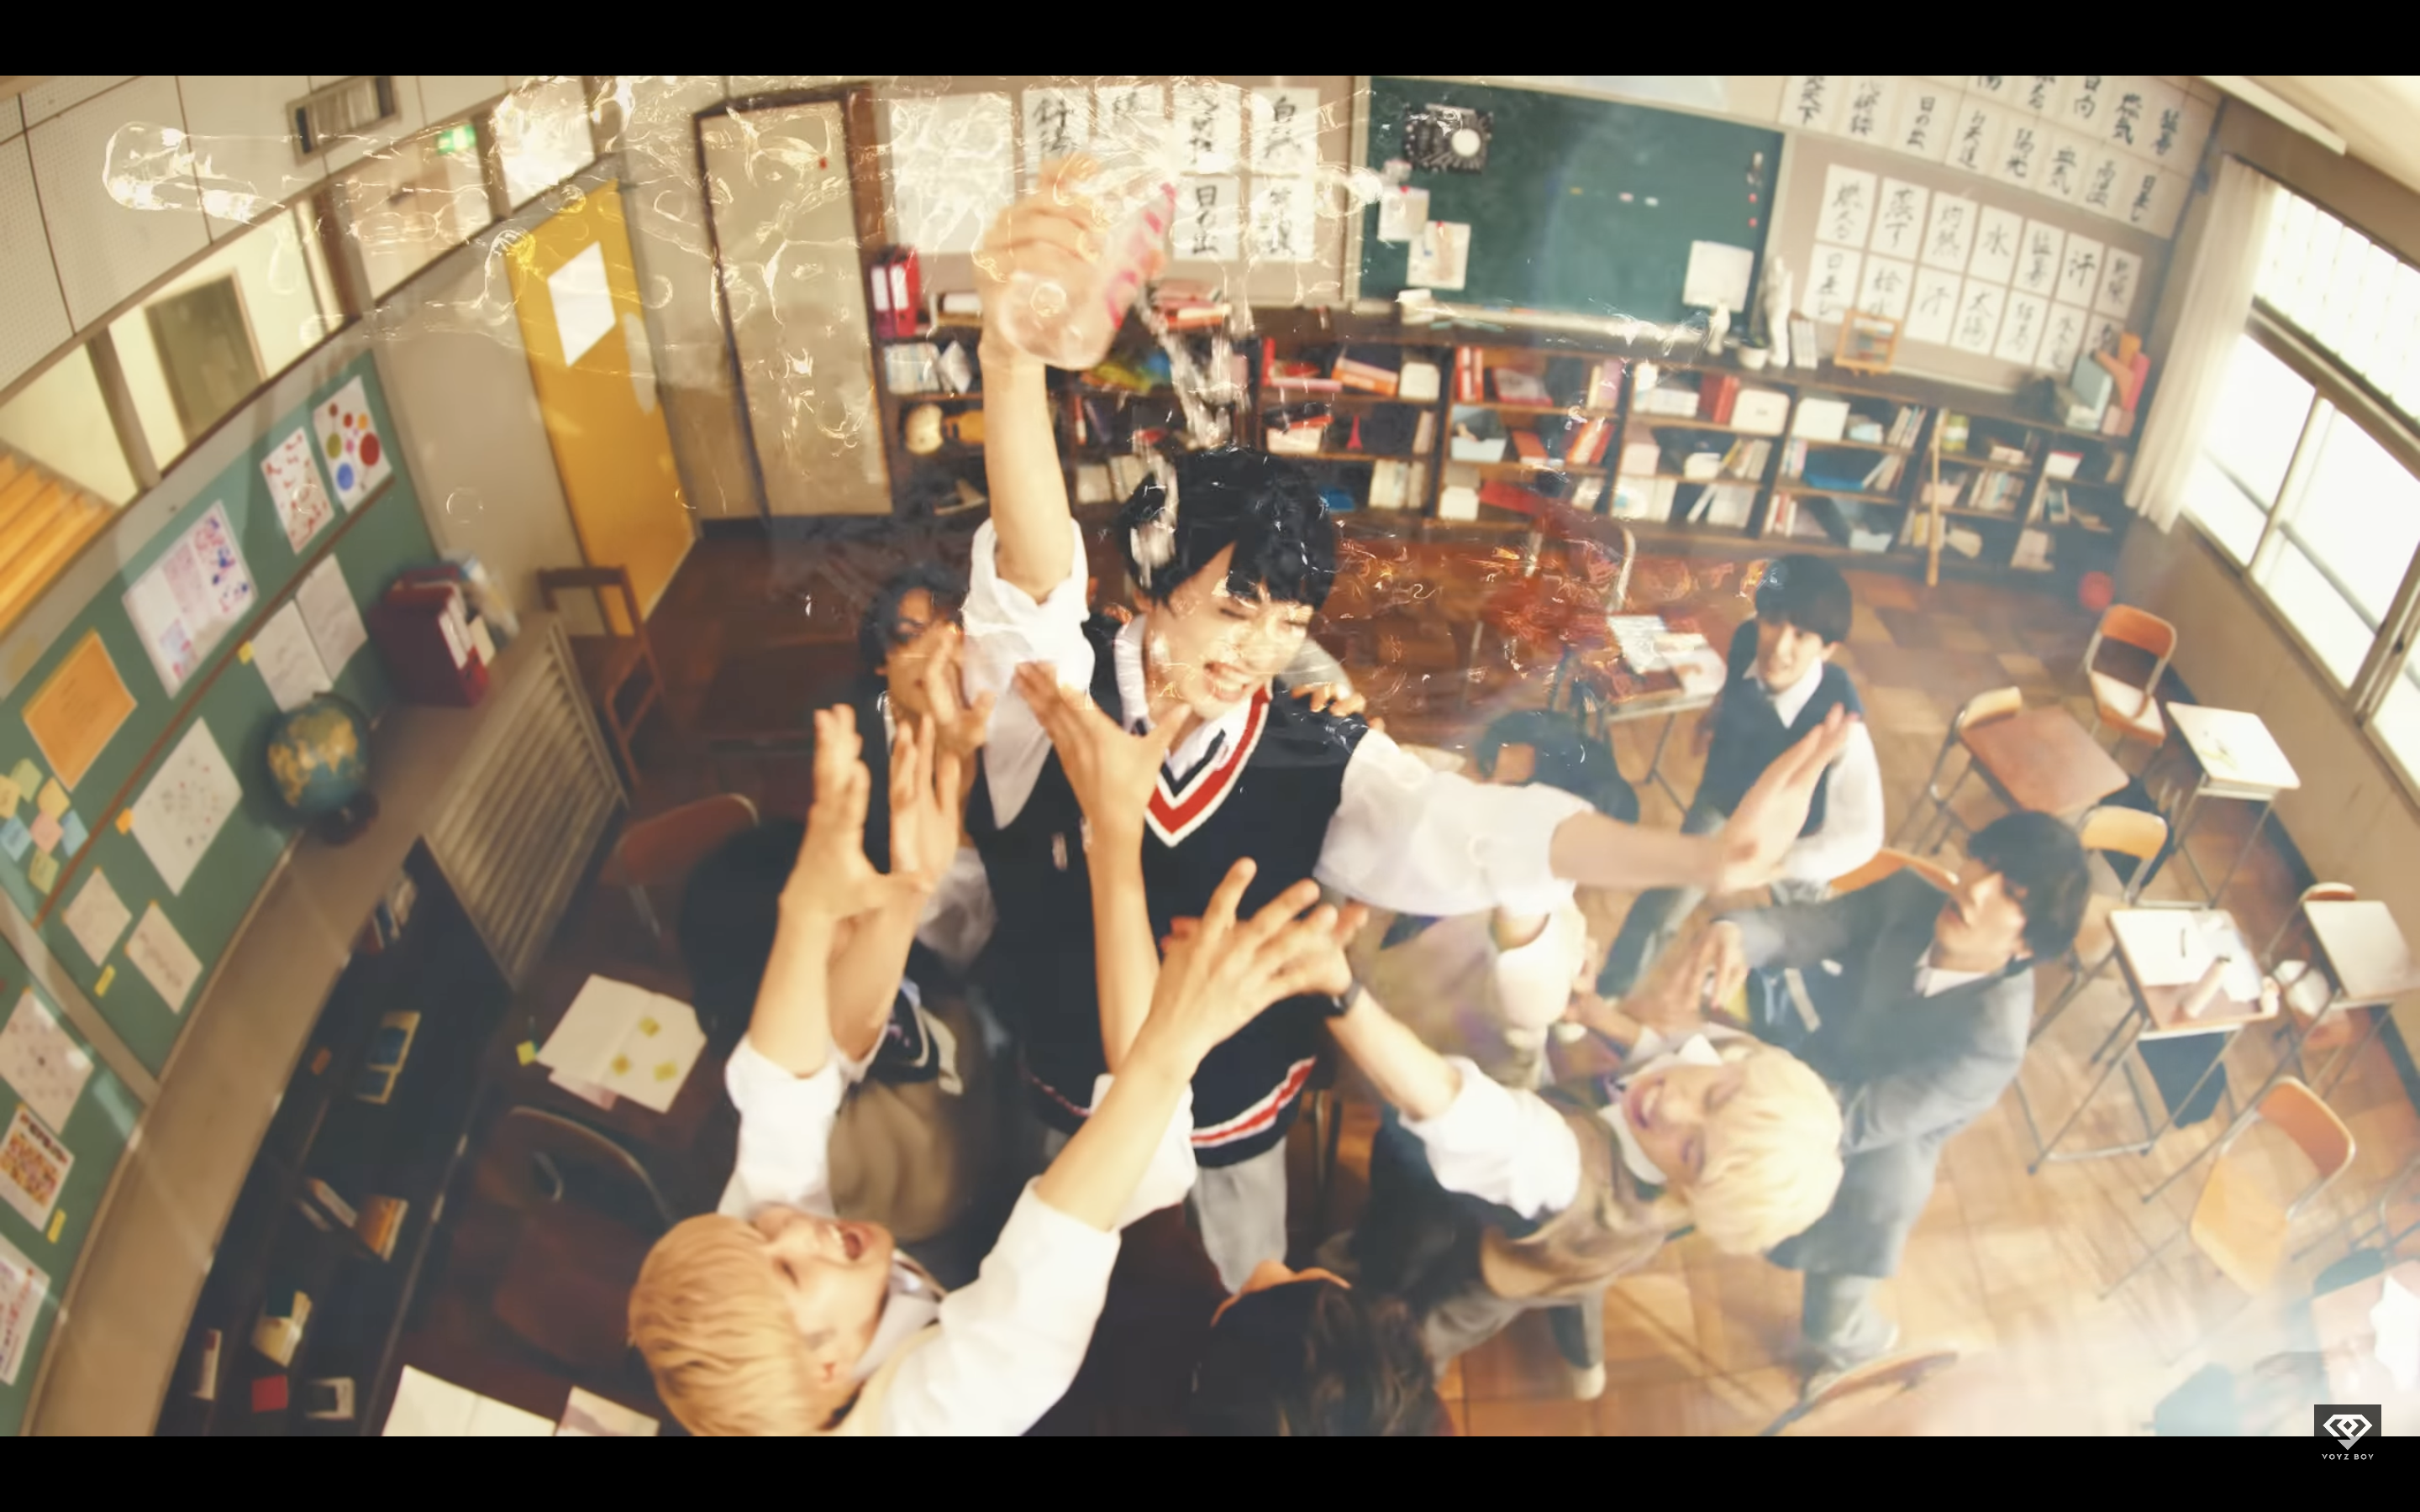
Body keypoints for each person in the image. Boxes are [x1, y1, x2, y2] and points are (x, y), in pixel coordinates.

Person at [961, 164, 1858, 1291]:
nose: (1256, 650)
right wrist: (1010, 365)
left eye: (1289, 622)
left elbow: (1471, 829)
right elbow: (1031, 589)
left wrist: (1695, 858)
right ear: (1148, 583)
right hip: (1064, 1113)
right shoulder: (1056, 704)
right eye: (1232, 608)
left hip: (1235, 1131)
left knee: (1234, 1320)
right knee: (1052, 1303)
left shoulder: (1317, 751)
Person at [627, 705, 1351, 1436]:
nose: (785, 1223)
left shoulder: (776, 1296)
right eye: (785, 1268)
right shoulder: (944, 1408)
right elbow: (1067, 1229)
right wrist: (1175, 1030)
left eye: (759, 1233)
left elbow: (782, 1102)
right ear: (827, 1371)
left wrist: (838, 905)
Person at [1021, 680, 1443, 1436]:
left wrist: (1114, 844)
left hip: (1189, 1083)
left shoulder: (1084, 1310)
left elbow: (1134, 1165)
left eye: (1261, 1294)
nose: (1286, 1266)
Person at [1325, 920, 1844, 1374]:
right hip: (1554, 1244)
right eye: (1715, 1094)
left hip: (1471, 1278)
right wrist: (1596, 1015)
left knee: (1399, 1344)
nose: (1670, 1106)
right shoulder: (1733, 1066)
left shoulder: (1567, 1176)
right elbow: (1666, 1052)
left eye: (1692, 1151)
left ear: (1693, 1195)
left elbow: (1457, 1109)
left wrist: (1341, 994)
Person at [1688, 810, 2091, 1396]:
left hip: (1877, 1157)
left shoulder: (1992, 1041)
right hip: (1820, 1061)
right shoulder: (1909, 897)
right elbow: (1812, 925)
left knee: (1832, 1313)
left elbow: (1858, 1118)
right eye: (1987, 863)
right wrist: (1738, 934)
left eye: (2011, 894)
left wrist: (1739, 1110)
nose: (1975, 888)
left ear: (2027, 944)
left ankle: (1865, 1351)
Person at [677, 818, 1002, 1284]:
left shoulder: (898, 967)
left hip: (993, 1142)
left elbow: (944, 935)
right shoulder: (805, 1124)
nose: (871, 910)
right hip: (938, 1239)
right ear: (773, 966)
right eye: (842, 914)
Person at [1597, 554, 1884, 999]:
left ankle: (1776, 1015)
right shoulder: (1749, 637)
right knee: (1664, 901)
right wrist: (1715, 715)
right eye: (1773, 622)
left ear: (1827, 649)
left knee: (1798, 940)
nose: (1780, 647)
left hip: (1794, 839)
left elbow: (1863, 836)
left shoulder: (1841, 722)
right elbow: (1738, 683)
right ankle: (1609, 993)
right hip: (1723, 798)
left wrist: (1778, 866)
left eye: (1801, 635)